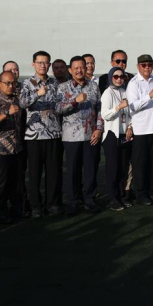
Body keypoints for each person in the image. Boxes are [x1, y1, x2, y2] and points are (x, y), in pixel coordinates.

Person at [56, 56, 103, 215]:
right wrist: (75, 100)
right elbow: (58, 109)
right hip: (71, 137)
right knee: (73, 171)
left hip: (91, 135)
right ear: (70, 70)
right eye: (75, 67)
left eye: (82, 67)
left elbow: (100, 109)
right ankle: (73, 201)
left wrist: (99, 128)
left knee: (90, 170)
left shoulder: (93, 87)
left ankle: (89, 200)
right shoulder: (63, 87)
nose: (79, 70)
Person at [20, 51, 63, 217]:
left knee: (53, 172)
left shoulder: (55, 83)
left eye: (46, 63)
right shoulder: (27, 83)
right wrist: (37, 94)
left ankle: (52, 203)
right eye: (40, 62)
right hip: (34, 135)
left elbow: (59, 104)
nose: (43, 65)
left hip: (53, 133)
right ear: (33, 64)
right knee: (35, 172)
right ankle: (36, 206)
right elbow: (22, 103)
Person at [0, 71, 24, 224]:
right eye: (7, 83)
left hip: (17, 148)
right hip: (0, 150)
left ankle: (17, 210)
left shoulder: (17, 99)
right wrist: (6, 113)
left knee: (17, 182)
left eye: (13, 83)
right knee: (0, 183)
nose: (10, 86)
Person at [127, 54, 153, 206]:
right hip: (142, 130)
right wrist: (149, 96)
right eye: (144, 65)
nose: (147, 67)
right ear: (138, 67)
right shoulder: (134, 83)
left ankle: (152, 191)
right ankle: (141, 194)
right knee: (141, 164)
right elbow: (133, 106)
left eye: (149, 64)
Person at [100, 66, 133, 211]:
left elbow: (130, 114)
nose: (119, 79)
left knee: (123, 167)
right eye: (116, 76)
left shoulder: (125, 91)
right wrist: (118, 107)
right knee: (112, 168)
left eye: (122, 76)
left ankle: (120, 195)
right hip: (111, 136)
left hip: (124, 134)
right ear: (111, 77)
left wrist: (130, 127)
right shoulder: (108, 93)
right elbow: (105, 115)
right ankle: (112, 198)